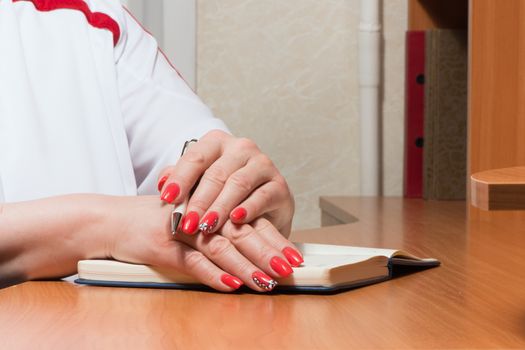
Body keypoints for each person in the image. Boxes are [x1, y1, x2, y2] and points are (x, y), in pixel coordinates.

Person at [0, 0, 302, 292]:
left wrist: (241, 194)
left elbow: (198, 159)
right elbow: (128, 224)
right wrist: (105, 226)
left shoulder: (88, 19)